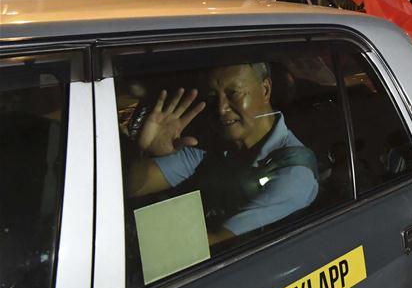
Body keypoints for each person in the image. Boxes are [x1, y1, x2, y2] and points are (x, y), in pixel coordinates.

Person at [125, 63, 318, 246]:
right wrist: (143, 150)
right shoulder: (212, 146)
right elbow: (131, 187)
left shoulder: (294, 172)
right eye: (213, 97)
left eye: (233, 93)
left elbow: (214, 245)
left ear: (265, 90)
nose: (221, 108)